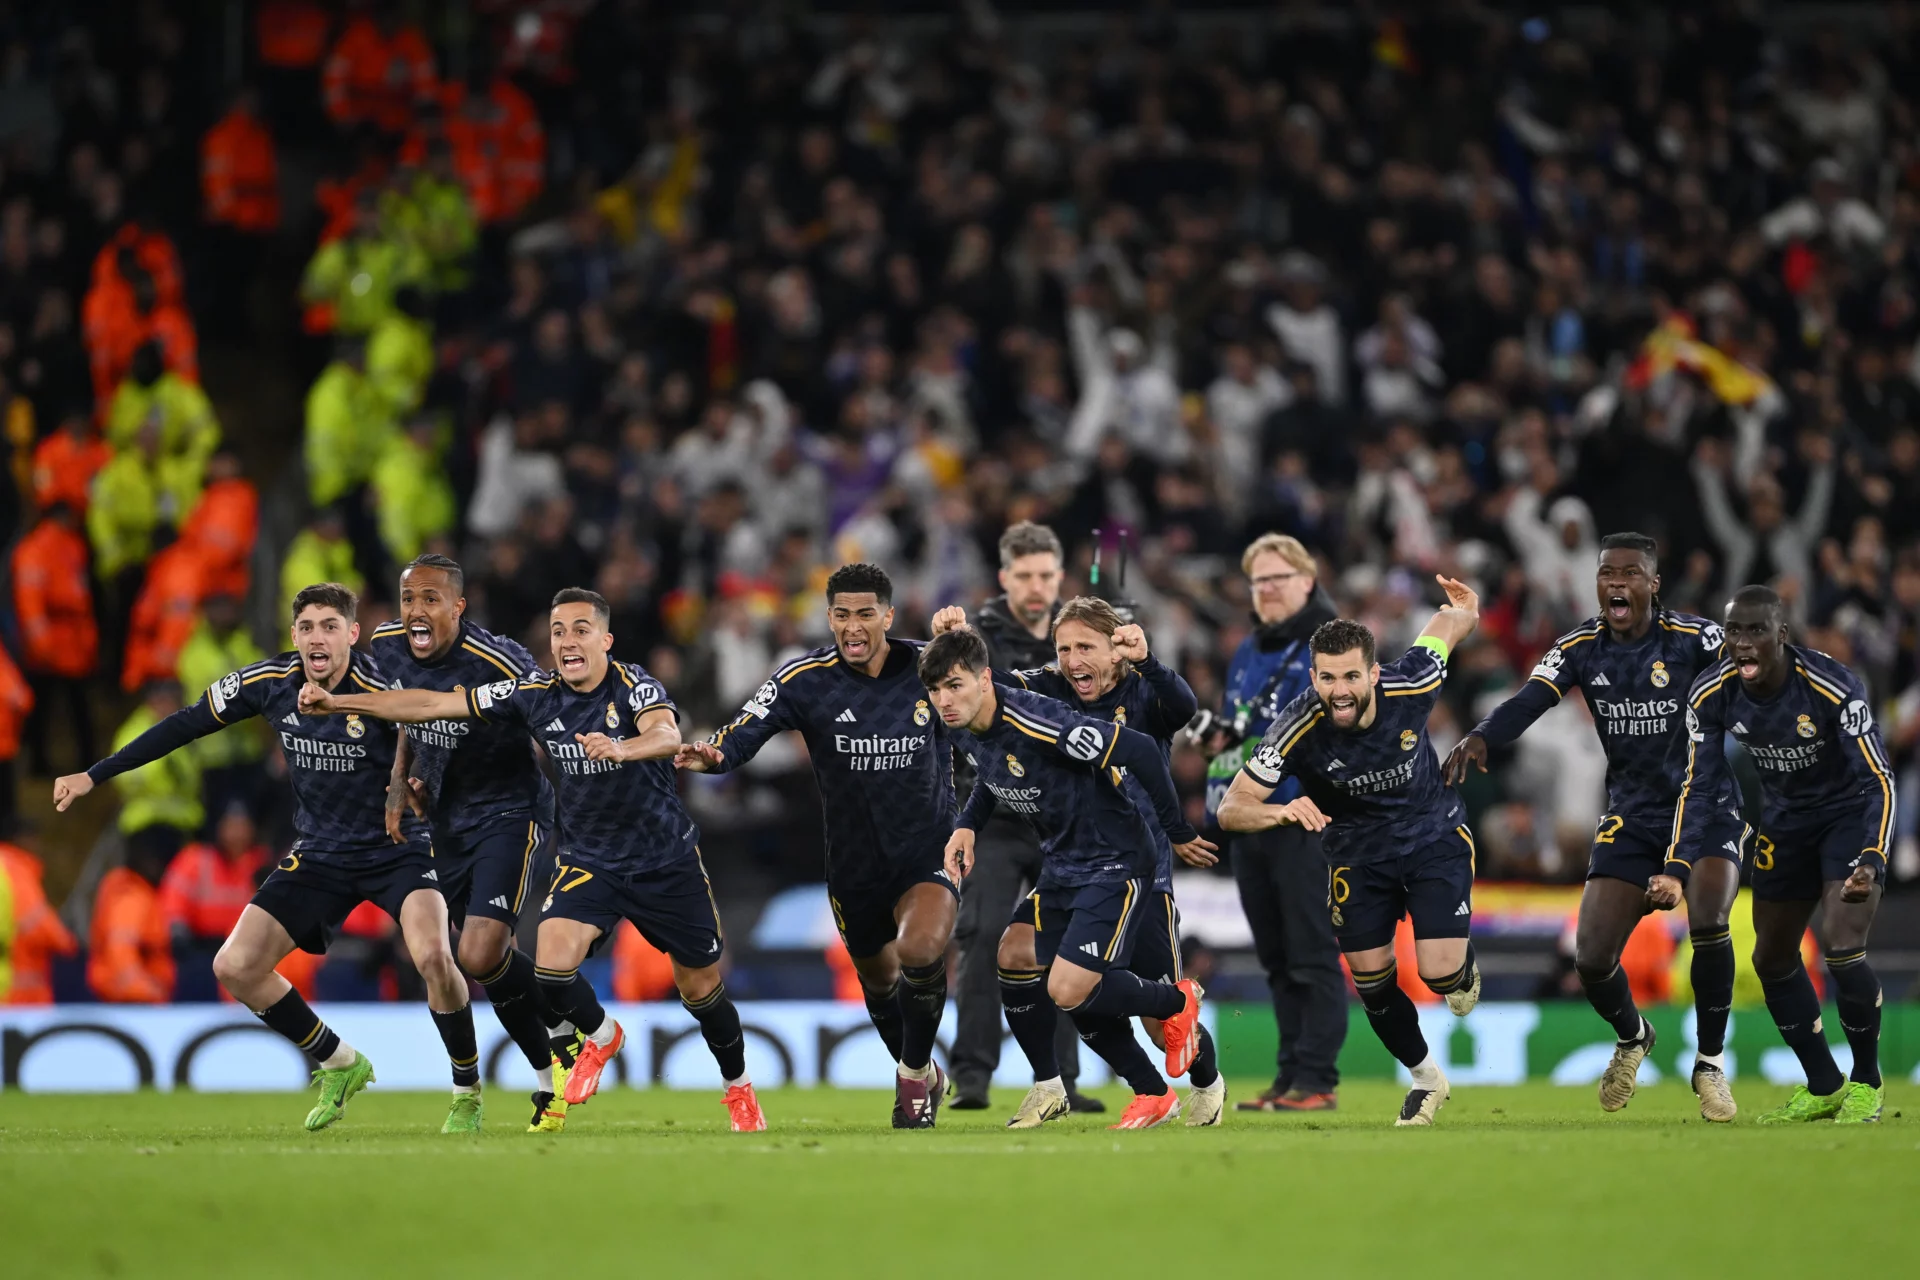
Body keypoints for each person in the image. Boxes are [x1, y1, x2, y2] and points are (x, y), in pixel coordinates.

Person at [299, 588, 767, 1133]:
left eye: (580, 630)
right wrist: (341, 702)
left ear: (605, 640)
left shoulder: (634, 685)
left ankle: (738, 1087)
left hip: (664, 860)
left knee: (700, 988)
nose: (567, 641)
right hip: (590, 860)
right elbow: (431, 703)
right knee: (550, 967)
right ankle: (601, 1034)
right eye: (558, 631)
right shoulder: (536, 694)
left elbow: (665, 735)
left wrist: (622, 748)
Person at [54, 583, 484, 1135]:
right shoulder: (268, 682)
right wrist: (94, 774)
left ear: (353, 634)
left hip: (396, 849)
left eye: (330, 626)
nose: (317, 638)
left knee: (432, 957)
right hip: (320, 852)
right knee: (234, 967)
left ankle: (466, 1090)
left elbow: (440, 754)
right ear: (294, 637)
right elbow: (184, 724)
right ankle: (339, 1061)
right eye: (307, 628)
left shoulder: (385, 689)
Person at [1445, 532, 1745, 1121]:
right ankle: (1634, 1037)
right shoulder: (1582, 646)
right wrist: (1483, 735)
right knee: (1590, 958)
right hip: (1633, 813)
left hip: (1706, 804)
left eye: (1630, 573)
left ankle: (1710, 1063)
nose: (1615, 583)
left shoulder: (1695, 639)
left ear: (1653, 585)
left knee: (1709, 919)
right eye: (1607, 573)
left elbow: (1754, 674)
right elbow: (1531, 697)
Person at [677, 563, 959, 1128]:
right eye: (841, 615)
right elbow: (741, 734)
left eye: (865, 614)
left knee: (921, 950)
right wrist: (713, 755)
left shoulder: (931, 664)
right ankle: (921, 1069)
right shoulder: (804, 679)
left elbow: (990, 700)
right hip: (854, 864)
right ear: (828, 616)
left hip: (927, 849)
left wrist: (965, 642)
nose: (852, 627)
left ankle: (910, 1084)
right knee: (879, 981)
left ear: (888, 615)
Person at [933, 595, 1225, 1127]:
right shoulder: (1052, 688)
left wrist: (1149, 662)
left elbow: (1182, 710)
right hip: (1069, 861)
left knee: (1152, 1022)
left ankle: (1205, 1082)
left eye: (1084, 647)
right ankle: (1067, 1086)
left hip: (1141, 868)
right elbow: (994, 713)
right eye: (1063, 648)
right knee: (1047, 973)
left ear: (1117, 650)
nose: (1071, 660)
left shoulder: (1143, 691)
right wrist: (960, 642)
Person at [1217, 578, 1483, 1127]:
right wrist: (1281, 811)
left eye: (1351, 677)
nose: (1339, 690)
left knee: (1437, 973)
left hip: (1431, 838)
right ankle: (1426, 1078)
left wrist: (1465, 610)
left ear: (1374, 674)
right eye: (1328, 678)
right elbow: (1232, 807)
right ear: (1314, 677)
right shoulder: (1297, 725)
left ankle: (1459, 973)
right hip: (1356, 857)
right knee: (1371, 980)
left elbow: (1445, 631)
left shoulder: (1412, 683)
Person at [1668, 585, 1893, 1125]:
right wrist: (1678, 863)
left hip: (1847, 816)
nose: (1742, 644)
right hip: (1786, 821)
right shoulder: (1711, 691)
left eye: (1755, 631)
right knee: (1770, 958)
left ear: (1781, 636)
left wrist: (1872, 857)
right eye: (1734, 632)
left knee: (1841, 949)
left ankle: (1867, 1081)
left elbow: (1879, 778)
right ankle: (1823, 1084)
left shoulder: (1832, 687)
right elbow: (1699, 784)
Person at [368, 554, 567, 1133]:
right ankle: (549, 1072)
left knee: (477, 955)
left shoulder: (498, 659)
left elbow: (547, 721)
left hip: (512, 811)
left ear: (458, 606)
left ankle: (572, 1020)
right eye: (408, 599)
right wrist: (397, 787)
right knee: (490, 962)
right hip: (446, 821)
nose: (416, 612)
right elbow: (408, 714)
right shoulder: (385, 645)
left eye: (430, 599)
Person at [949, 520, 1094, 1112]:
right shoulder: (974, 637)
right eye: (1024, 576)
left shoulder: (1082, 633)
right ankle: (974, 1079)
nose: (1036, 587)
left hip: (1065, 820)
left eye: (1045, 575)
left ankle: (1064, 1082)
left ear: (1059, 577)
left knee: (1063, 944)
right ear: (1004, 577)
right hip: (999, 814)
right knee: (983, 936)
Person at [1206, 532, 1346, 1113]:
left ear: (1307, 581)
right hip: (1250, 823)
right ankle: (1289, 1077)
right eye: (1258, 581)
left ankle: (1317, 1078)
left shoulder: (1333, 644)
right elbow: (1242, 728)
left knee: (1311, 952)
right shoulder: (1247, 649)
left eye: (1277, 579)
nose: (1265, 591)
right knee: (1276, 957)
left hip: (1304, 821)